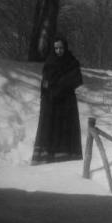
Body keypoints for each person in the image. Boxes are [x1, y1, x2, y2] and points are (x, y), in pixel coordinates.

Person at [31, 36, 83, 164]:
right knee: (50, 129)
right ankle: (48, 157)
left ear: (65, 47)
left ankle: (67, 157)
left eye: (61, 48)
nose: (58, 51)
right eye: (56, 48)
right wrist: (46, 95)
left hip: (66, 102)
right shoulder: (50, 62)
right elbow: (45, 83)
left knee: (65, 129)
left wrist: (60, 85)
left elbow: (77, 79)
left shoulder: (72, 62)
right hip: (51, 102)